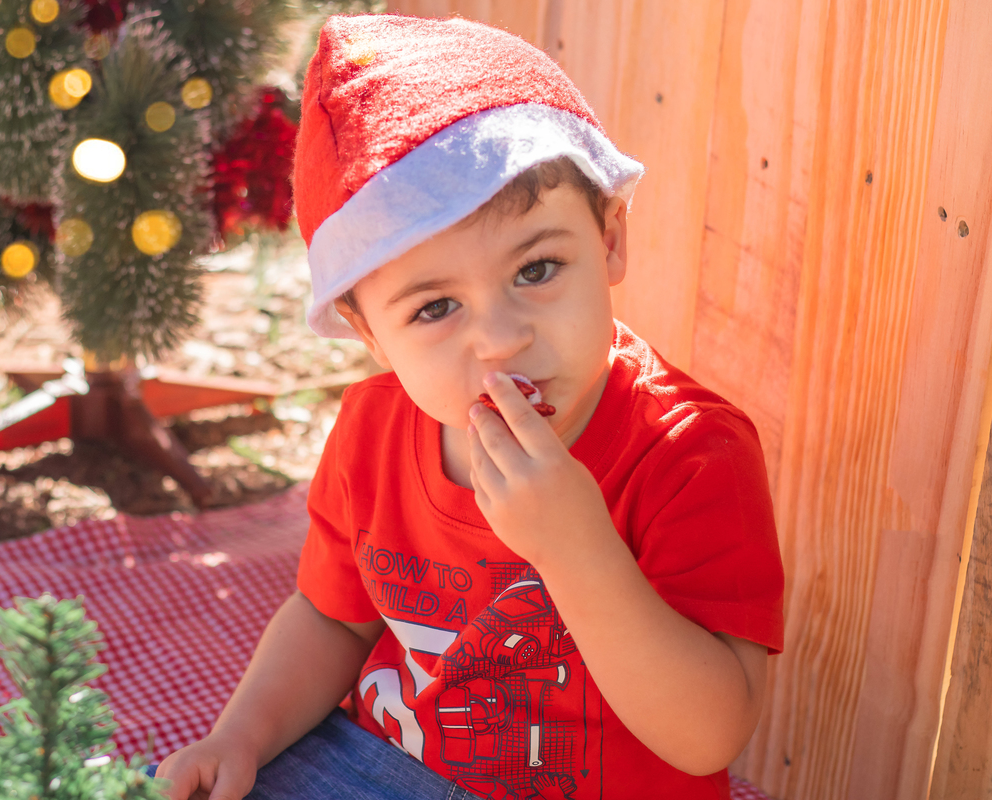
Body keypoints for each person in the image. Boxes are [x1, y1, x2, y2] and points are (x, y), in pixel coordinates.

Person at [154, 13, 784, 800]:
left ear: (612, 239)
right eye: (434, 309)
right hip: (382, 767)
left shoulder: (690, 451)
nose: (500, 340)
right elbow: (332, 620)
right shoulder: (375, 428)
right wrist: (238, 736)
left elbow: (709, 736)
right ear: (371, 336)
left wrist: (574, 548)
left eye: (537, 268)